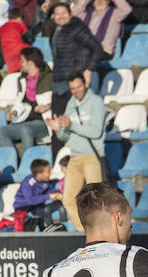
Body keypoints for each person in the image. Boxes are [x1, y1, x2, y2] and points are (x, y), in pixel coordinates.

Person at [46, 71, 105, 232]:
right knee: (68, 198)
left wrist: (72, 125)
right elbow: (66, 135)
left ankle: (100, 232)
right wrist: (58, 130)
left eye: (78, 87)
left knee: (96, 198)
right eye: (72, 88)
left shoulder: (96, 102)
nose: (76, 91)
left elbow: (96, 131)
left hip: (92, 156)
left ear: (85, 84)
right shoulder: (71, 103)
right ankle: (84, 232)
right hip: (75, 156)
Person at [42, 3, 106, 126]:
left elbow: (97, 49)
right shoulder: (56, 29)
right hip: (58, 82)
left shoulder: (77, 28)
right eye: (57, 14)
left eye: (64, 13)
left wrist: (88, 70)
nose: (61, 16)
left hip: (73, 82)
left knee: (72, 122)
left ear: (71, 14)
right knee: (57, 124)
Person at [0, 47, 53, 154]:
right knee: (2, 131)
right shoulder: (22, 79)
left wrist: (47, 106)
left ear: (30, 63)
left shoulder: (49, 78)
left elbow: (60, 101)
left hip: (43, 121)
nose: (20, 64)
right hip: (25, 120)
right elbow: (20, 101)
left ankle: (26, 164)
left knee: (26, 129)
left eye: (22, 61)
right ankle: (12, 161)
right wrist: (14, 111)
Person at [14, 157, 63, 226]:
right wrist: (48, 196)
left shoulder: (46, 181)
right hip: (22, 206)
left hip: (37, 205)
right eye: (48, 171)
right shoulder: (28, 182)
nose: (51, 173)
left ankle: (50, 229)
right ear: (39, 175)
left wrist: (56, 193)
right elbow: (30, 200)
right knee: (26, 222)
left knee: (44, 212)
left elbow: (49, 189)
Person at [0, 9, 31, 74]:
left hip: (7, 53)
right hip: (19, 47)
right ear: (19, 18)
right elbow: (28, 35)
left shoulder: (3, 26)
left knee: (13, 71)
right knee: (31, 53)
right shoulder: (19, 24)